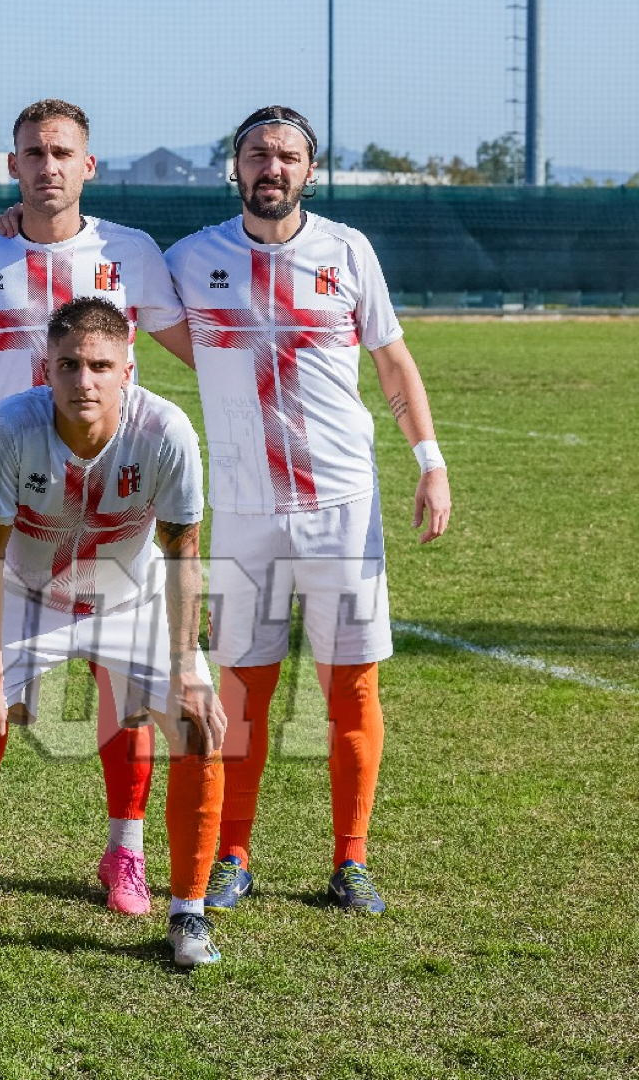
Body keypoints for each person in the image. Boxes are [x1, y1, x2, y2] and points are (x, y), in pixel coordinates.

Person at [0, 99, 194, 915]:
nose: (48, 165)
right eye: (33, 152)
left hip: (115, 505)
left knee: (125, 688)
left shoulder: (131, 254)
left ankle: (125, 854)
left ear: (89, 166)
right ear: (13, 166)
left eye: (63, 151)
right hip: (13, 508)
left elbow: (190, 344)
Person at [165, 105, 451, 915]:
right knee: (242, 693)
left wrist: (430, 464)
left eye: (288, 156)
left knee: (350, 689)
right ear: (235, 167)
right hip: (247, 512)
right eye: (258, 154)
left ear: (310, 171)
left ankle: (351, 861)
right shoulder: (189, 260)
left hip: (342, 505)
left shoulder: (348, 251)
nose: (272, 168)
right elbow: (99, 264)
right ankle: (232, 854)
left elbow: (393, 363)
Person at [0, 297, 227, 969]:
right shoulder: (11, 427)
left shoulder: (165, 430)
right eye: (68, 365)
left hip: (130, 596)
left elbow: (184, 556)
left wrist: (185, 667)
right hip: (25, 592)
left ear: (129, 368)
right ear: (45, 368)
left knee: (201, 726)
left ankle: (189, 915)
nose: (83, 381)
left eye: (99, 365)